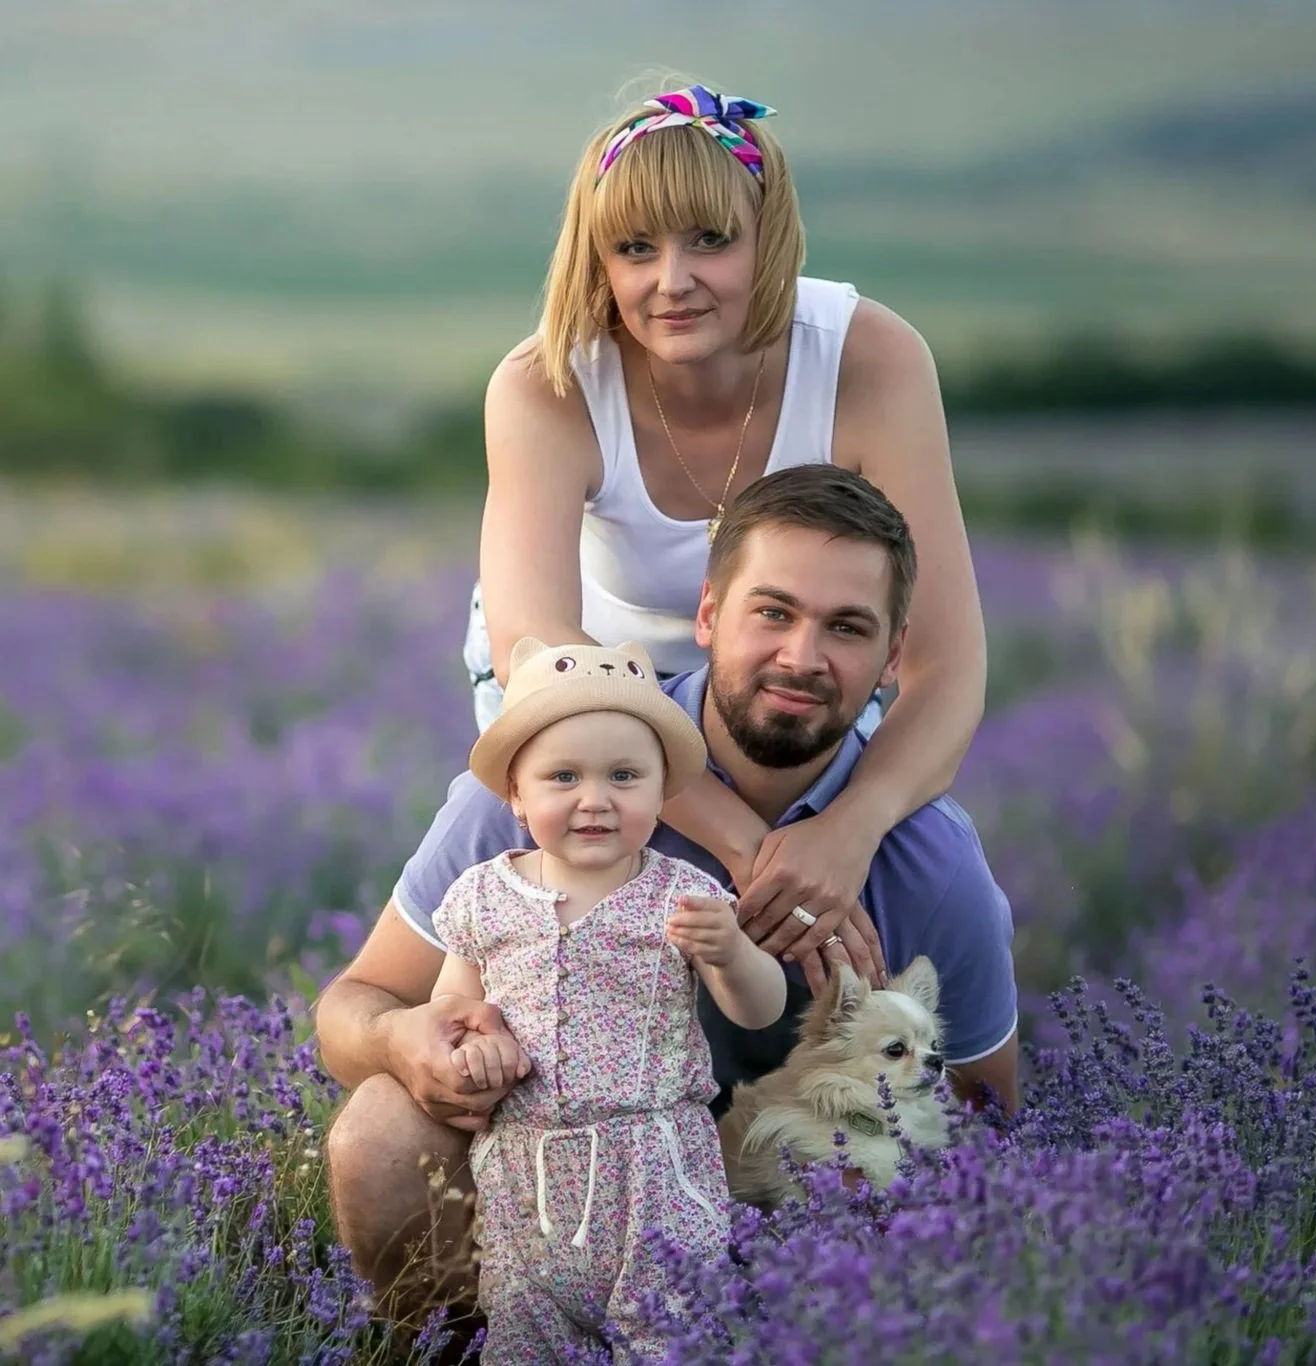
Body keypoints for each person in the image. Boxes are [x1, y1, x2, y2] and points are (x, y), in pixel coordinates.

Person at [317, 464, 1019, 1329]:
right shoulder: (560, 784)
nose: (801, 657)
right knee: (381, 1133)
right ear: (707, 616)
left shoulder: (928, 859)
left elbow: (986, 1118)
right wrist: (403, 1039)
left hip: (777, 1180)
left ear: (891, 658)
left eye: (846, 627)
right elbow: (351, 1008)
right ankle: (457, 1348)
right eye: (772, 612)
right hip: (541, 1174)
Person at [465, 81, 989, 987]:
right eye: (635, 249)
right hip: (590, 692)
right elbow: (539, 656)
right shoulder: (546, 383)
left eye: (710, 240)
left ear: (769, 235)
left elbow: (943, 664)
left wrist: (845, 831)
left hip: (790, 680)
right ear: (598, 260)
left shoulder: (872, 358)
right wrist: (752, 846)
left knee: (902, 882)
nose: (672, 282)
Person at [428, 635, 786, 1362]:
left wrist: (732, 952)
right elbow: (453, 1012)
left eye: (625, 776)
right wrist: (475, 1043)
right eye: (563, 777)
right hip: (525, 1174)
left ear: (662, 793)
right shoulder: (482, 897)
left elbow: (762, 1007)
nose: (595, 799)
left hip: (655, 1165)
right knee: (528, 1335)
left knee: (668, 1334)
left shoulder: (683, 897)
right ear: (516, 796)